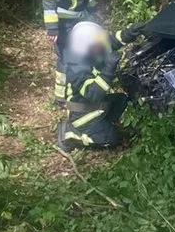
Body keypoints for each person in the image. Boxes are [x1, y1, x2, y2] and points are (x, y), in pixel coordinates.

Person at [43, 0, 110, 106]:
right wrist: (52, 27)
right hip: (62, 23)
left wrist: (94, 12)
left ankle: (78, 91)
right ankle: (61, 98)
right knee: (66, 59)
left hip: (79, 21)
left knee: (82, 54)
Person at [56, 21, 143, 150]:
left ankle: (102, 122)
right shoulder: (76, 68)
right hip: (82, 113)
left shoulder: (91, 49)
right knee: (110, 138)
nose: (101, 45)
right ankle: (71, 133)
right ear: (86, 46)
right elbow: (93, 93)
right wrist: (109, 70)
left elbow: (111, 41)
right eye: (97, 44)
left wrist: (130, 32)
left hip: (95, 104)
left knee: (123, 100)